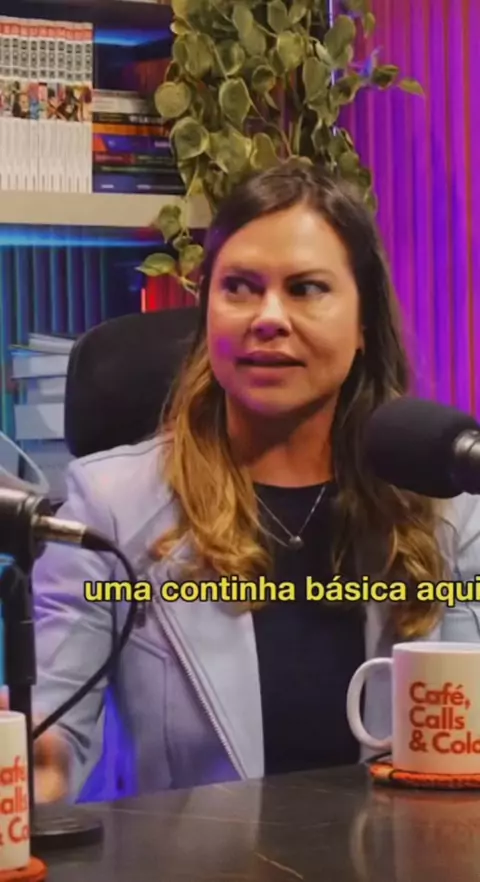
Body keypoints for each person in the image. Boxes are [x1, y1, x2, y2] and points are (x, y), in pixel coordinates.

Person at [27, 159, 480, 804]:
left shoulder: (445, 504)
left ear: (362, 324)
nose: (268, 317)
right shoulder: (109, 506)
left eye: (306, 288)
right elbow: (51, 745)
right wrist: (25, 766)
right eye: (239, 287)